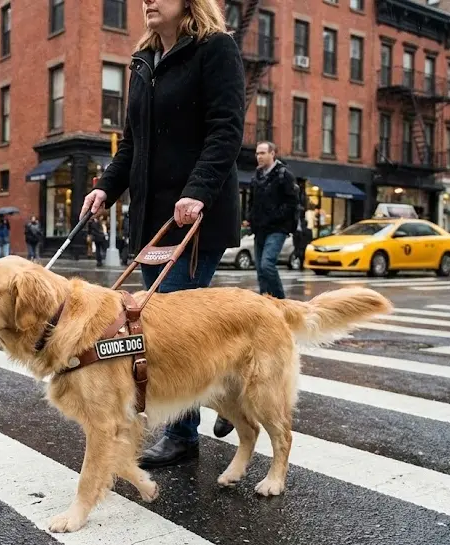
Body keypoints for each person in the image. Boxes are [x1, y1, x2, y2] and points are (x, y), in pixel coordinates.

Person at [81, 0, 245, 469]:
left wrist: (197, 192)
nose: (148, 1)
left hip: (195, 219)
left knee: (164, 327)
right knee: (170, 327)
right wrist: (106, 189)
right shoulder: (143, 61)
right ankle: (227, 390)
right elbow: (131, 143)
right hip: (152, 218)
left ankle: (181, 435)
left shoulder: (216, 50)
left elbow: (226, 130)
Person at [245, 142, 300, 298]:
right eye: (257, 153)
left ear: (272, 154)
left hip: (278, 228)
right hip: (260, 228)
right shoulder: (256, 176)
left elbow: (292, 203)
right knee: (260, 269)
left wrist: (275, 217)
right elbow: (252, 202)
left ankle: (281, 302)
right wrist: (250, 218)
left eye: (262, 153)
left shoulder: (284, 174)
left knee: (267, 264)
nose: (259, 157)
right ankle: (266, 302)